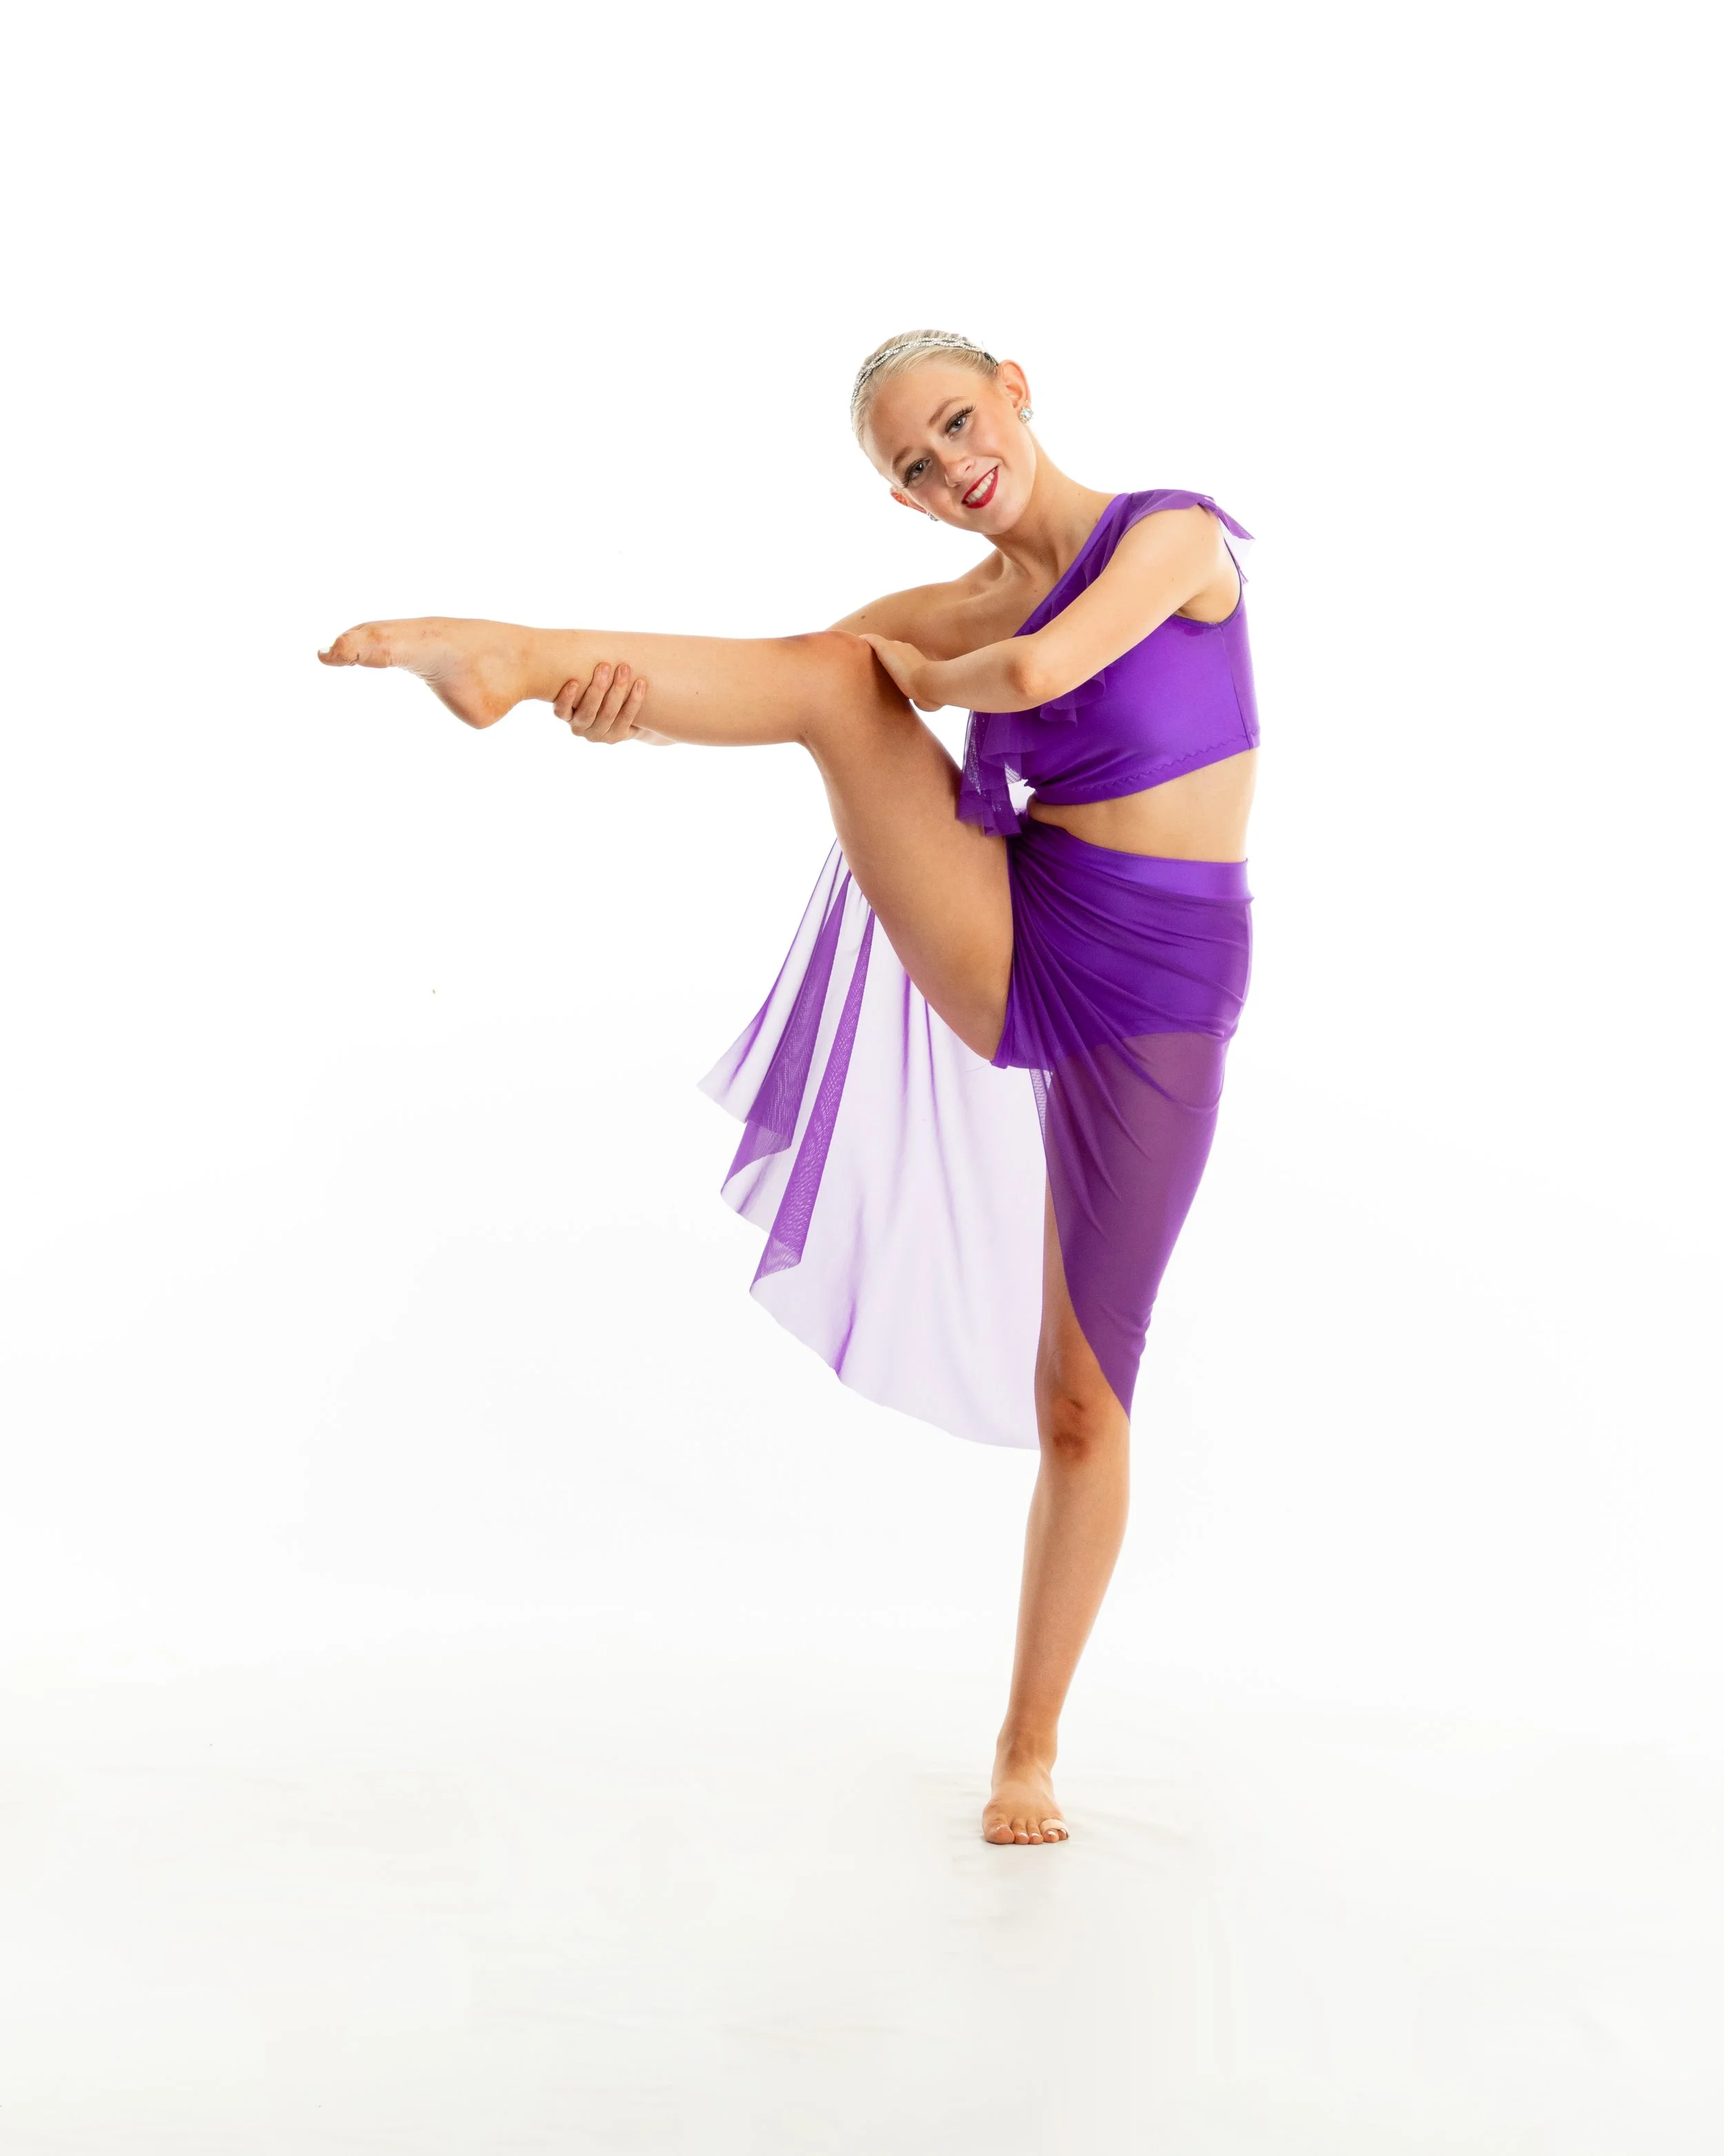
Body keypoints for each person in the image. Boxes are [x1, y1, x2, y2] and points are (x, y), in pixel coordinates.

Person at [318, 328, 1260, 1847]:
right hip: (1016, 924)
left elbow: (1030, 672)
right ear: (901, 498)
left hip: (1157, 987)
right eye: (913, 465)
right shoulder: (944, 599)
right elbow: (785, 684)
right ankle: (505, 653)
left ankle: (1027, 1748)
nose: (951, 466)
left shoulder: (1172, 537)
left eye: (956, 422)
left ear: (1014, 389)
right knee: (827, 674)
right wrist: (617, 706)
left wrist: (916, 676)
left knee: (1081, 1397)